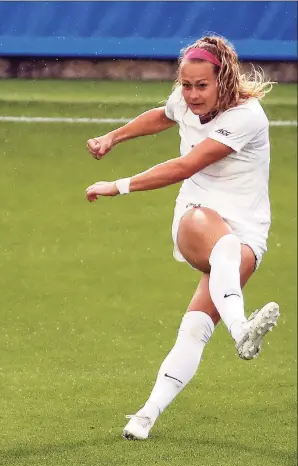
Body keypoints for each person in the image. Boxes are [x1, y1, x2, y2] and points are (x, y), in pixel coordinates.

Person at [85, 35, 280, 440]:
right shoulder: (186, 99)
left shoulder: (247, 117)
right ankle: (242, 329)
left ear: (223, 79)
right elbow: (164, 114)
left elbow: (186, 163)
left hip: (248, 232)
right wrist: (113, 137)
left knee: (194, 328)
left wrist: (117, 185)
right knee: (216, 239)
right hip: (196, 218)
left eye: (200, 86)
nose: (190, 95)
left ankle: (145, 415)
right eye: (186, 84)